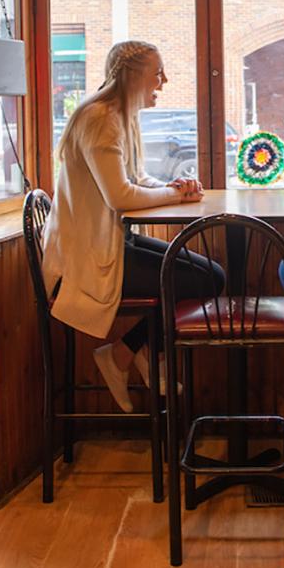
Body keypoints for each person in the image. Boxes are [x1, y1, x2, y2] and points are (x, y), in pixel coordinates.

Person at [41, 40, 211, 411]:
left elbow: (135, 179)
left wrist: (172, 188)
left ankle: (129, 353)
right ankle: (125, 355)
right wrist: (174, 196)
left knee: (211, 275)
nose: (163, 82)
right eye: (158, 73)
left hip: (110, 243)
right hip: (83, 259)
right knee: (203, 280)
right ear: (134, 75)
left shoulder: (119, 115)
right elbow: (120, 196)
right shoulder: (101, 119)